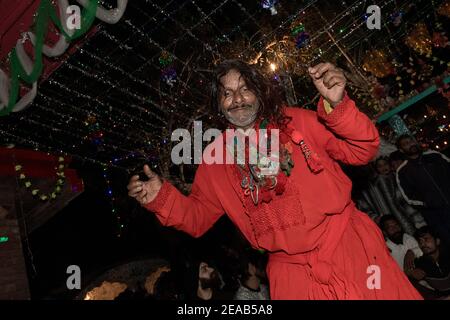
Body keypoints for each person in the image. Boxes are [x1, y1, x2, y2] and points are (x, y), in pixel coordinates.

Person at [128, 60, 421, 299]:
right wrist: (161, 198)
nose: (237, 99)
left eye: (244, 89)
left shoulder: (299, 122)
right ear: (219, 105)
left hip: (349, 249)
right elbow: (197, 217)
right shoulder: (215, 159)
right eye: (227, 94)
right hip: (292, 275)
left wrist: (338, 104)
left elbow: (362, 150)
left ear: (259, 92)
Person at [395, 134, 450, 246]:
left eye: (411, 141)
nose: (411, 144)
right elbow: (409, 198)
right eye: (406, 144)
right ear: (401, 150)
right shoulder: (402, 172)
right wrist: (429, 202)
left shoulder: (434, 156)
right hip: (437, 216)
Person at [358, 157, 425, 234]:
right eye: (379, 166)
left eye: (385, 164)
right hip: (386, 228)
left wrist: (418, 221)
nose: (383, 167)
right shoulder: (365, 188)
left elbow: (405, 202)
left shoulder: (395, 178)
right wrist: (377, 218)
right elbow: (363, 209)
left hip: (405, 222)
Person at [407, 226, 450, 298]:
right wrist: (410, 272)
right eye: (420, 242)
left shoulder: (447, 254)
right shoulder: (420, 264)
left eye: (426, 239)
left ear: (437, 241)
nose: (423, 244)